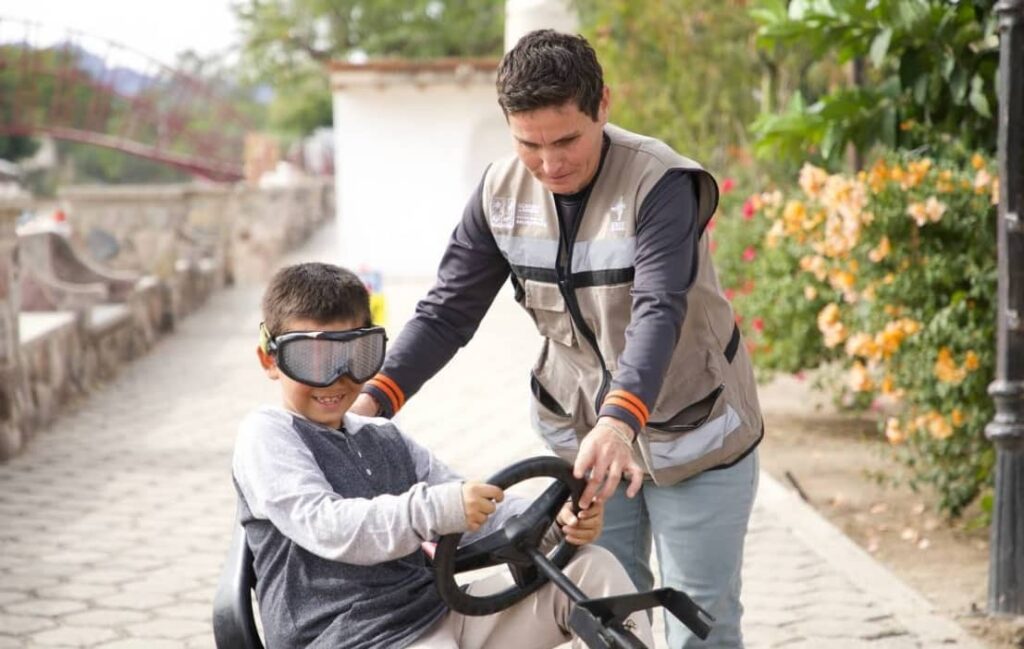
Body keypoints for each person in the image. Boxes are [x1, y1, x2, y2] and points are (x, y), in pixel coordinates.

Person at [351, 29, 764, 648]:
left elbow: (658, 308)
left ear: (603, 105)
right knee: (605, 609)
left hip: (693, 429)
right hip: (581, 434)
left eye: (567, 139)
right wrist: (371, 405)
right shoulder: (498, 194)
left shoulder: (661, 184)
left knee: (696, 620)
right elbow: (446, 314)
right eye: (529, 145)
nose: (551, 164)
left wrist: (620, 421)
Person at [232, 262, 653, 649]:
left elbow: (474, 510)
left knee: (592, 569)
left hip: (437, 615)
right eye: (312, 359)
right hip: (348, 637)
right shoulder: (268, 435)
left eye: (354, 357)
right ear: (270, 360)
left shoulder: (383, 436)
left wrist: (554, 522)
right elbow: (330, 526)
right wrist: (437, 509)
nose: (337, 379)